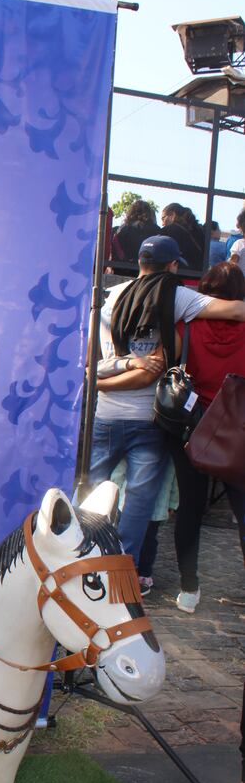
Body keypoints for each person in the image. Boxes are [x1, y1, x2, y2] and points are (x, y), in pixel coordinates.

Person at [88, 236, 245, 567]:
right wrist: (136, 365)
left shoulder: (108, 297)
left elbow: (91, 364)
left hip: (105, 415)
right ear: (173, 265)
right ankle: (122, 567)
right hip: (149, 419)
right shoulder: (178, 297)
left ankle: (78, 557)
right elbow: (234, 309)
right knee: (139, 502)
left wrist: (102, 382)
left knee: (88, 491)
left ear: (140, 262)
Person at [167, 261, 245, 612]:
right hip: (237, 429)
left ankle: (189, 588)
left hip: (193, 426)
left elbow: (170, 362)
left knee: (190, 507)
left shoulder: (188, 325)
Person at [109, 199, 158, 269]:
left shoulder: (122, 229)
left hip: (123, 269)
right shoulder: (157, 230)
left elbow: (115, 248)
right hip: (147, 271)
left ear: (131, 212)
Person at [160, 203, 202, 272]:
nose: (162, 223)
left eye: (163, 218)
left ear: (172, 215)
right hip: (197, 274)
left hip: (177, 273)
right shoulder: (198, 230)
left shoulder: (168, 230)